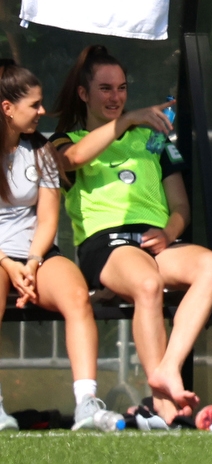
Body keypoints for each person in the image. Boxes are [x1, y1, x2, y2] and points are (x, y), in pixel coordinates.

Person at [50, 46, 212, 426]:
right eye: (106, 88)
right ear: (84, 93)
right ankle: (165, 408)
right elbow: (75, 159)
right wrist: (128, 120)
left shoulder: (154, 141)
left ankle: (167, 368)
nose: (116, 97)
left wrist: (168, 231)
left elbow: (181, 207)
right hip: (106, 244)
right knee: (147, 282)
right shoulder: (66, 139)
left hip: (154, 244)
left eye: (122, 88)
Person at [0, 60, 124, 431]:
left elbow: (49, 219)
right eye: (34, 105)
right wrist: (9, 265)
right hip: (2, 257)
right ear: (7, 108)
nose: (42, 111)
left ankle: (86, 403)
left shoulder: (41, 152)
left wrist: (34, 262)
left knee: (75, 295)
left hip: (35, 255)